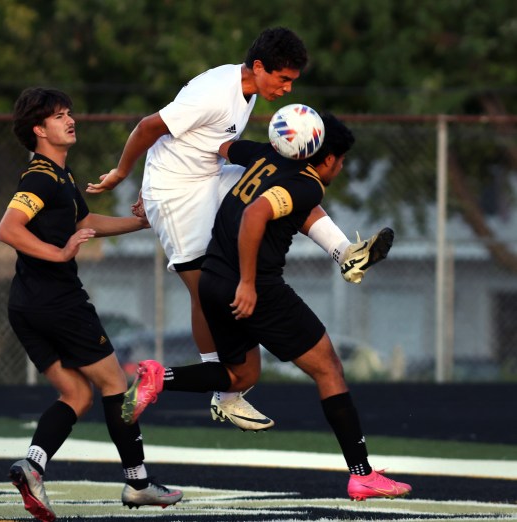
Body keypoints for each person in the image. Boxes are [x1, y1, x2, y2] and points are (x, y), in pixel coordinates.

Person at [86, 27, 393, 432]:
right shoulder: (215, 91)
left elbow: (209, 143)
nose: (286, 89)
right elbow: (148, 127)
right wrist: (123, 175)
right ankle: (224, 394)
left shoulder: (247, 90)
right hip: (176, 191)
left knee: (285, 187)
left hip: (207, 173)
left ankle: (345, 253)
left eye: (292, 82)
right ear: (260, 67)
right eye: (283, 79)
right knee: (202, 285)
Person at [120, 112, 411, 501]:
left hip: (211, 280)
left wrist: (159, 183)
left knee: (239, 375)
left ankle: (159, 377)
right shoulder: (307, 187)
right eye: (341, 161)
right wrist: (248, 283)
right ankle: (362, 474)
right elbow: (257, 214)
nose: (340, 168)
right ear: (326, 159)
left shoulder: (262, 154)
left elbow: (222, 146)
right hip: (255, 288)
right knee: (329, 369)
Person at [0, 87, 182, 522]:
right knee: (116, 383)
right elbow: (8, 228)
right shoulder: (40, 177)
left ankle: (33, 465)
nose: (70, 119)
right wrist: (60, 254)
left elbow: (86, 223)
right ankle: (138, 484)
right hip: (57, 300)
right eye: (59, 116)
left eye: (69, 112)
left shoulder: (60, 177)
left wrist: (142, 221)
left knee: (76, 392)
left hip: (26, 303)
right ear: (38, 130)